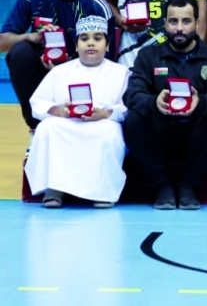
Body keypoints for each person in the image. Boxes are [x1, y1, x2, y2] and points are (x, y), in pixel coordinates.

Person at [124, 0, 207, 211]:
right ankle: (162, 187)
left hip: (197, 132)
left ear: (198, 23)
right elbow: (132, 94)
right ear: (165, 23)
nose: (179, 28)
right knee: (134, 118)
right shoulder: (147, 54)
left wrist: (199, 104)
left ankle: (189, 187)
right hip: (161, 130)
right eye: (173, 22)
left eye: (186, 21)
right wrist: (154, 102)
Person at [0, 0, 113, 137]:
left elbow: (106, 58)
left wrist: (67, 69)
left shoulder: (97, 7)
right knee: (20, 52)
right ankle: (36, 129)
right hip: (41, 72)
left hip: (83, 72)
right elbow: (3, 43)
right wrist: (33, 37)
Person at [23, 16, 129, 208]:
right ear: (76, 45)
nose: (90, 43)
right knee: (47, 127)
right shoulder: (59, 71)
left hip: (102, 123)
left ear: (107, 46)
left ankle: (102, 192)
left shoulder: (121, 72)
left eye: (97, 38)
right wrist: (59, 111)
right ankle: (54, 188)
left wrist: (104, 114)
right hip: (66, 123)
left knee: (109, 132)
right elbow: (37, 102)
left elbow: (128, 107)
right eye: (84, 38)